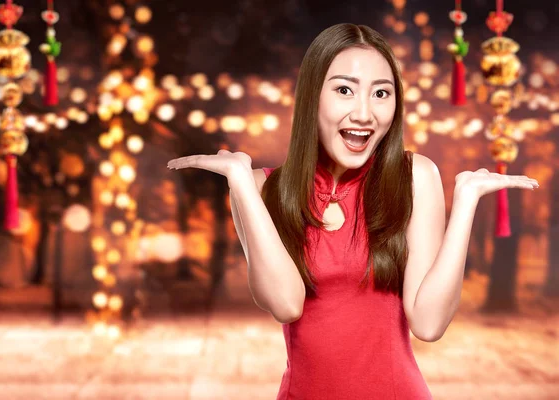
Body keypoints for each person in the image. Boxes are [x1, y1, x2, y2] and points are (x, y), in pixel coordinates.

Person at [167, 23, 538, 400]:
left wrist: (466, 201)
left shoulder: (414, 178)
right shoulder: (261, 189)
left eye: (381, 93)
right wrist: (240, 181)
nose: (365, 113)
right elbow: (285, 303)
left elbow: (428, 324)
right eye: (344, 90)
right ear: (313, 96)